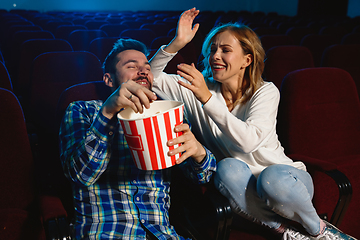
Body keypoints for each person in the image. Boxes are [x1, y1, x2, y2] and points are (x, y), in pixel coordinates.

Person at [149, 7, 356, 240]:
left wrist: (206, 98)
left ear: (246, 60)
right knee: (225, 168)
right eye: (212, 49)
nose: (215, 56)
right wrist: (177, 43)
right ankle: (286, 232)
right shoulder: (198, 87)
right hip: (242, 191)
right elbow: (151, 78)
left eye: (225, 50)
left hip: (286, 184)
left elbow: (248, 142)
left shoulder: (265, 91)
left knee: (271, 179)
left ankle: (318, 230)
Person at [59, 37, 216, 240]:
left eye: (147, 68)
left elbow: (202, 177)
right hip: (109, 232)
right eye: (132, 66)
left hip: (162, 233)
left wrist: (199, 153)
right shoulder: (84, 111)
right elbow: (82, 175)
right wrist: (108, 113)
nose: (142, 71)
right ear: (108, 79)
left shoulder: (166, 116)